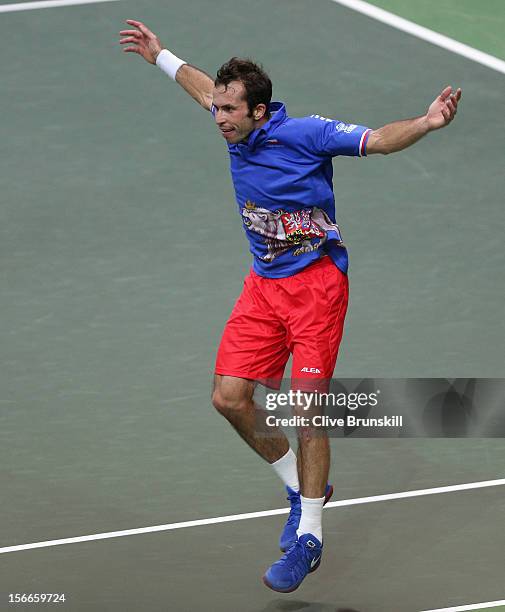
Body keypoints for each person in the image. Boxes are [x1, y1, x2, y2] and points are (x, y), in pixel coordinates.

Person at [119, 19, 461, 593]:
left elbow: (376, 139)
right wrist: (160, 55)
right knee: (230, 399)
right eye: (219, 108)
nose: (219, 117)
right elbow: (201, 85)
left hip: (317, 288)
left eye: (230, 110)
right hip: (264, 285)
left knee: (306, 411)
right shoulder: (228, 119)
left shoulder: (306, 135)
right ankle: (299, 485)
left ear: (258, 112)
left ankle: (311, 535)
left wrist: (426, 123)